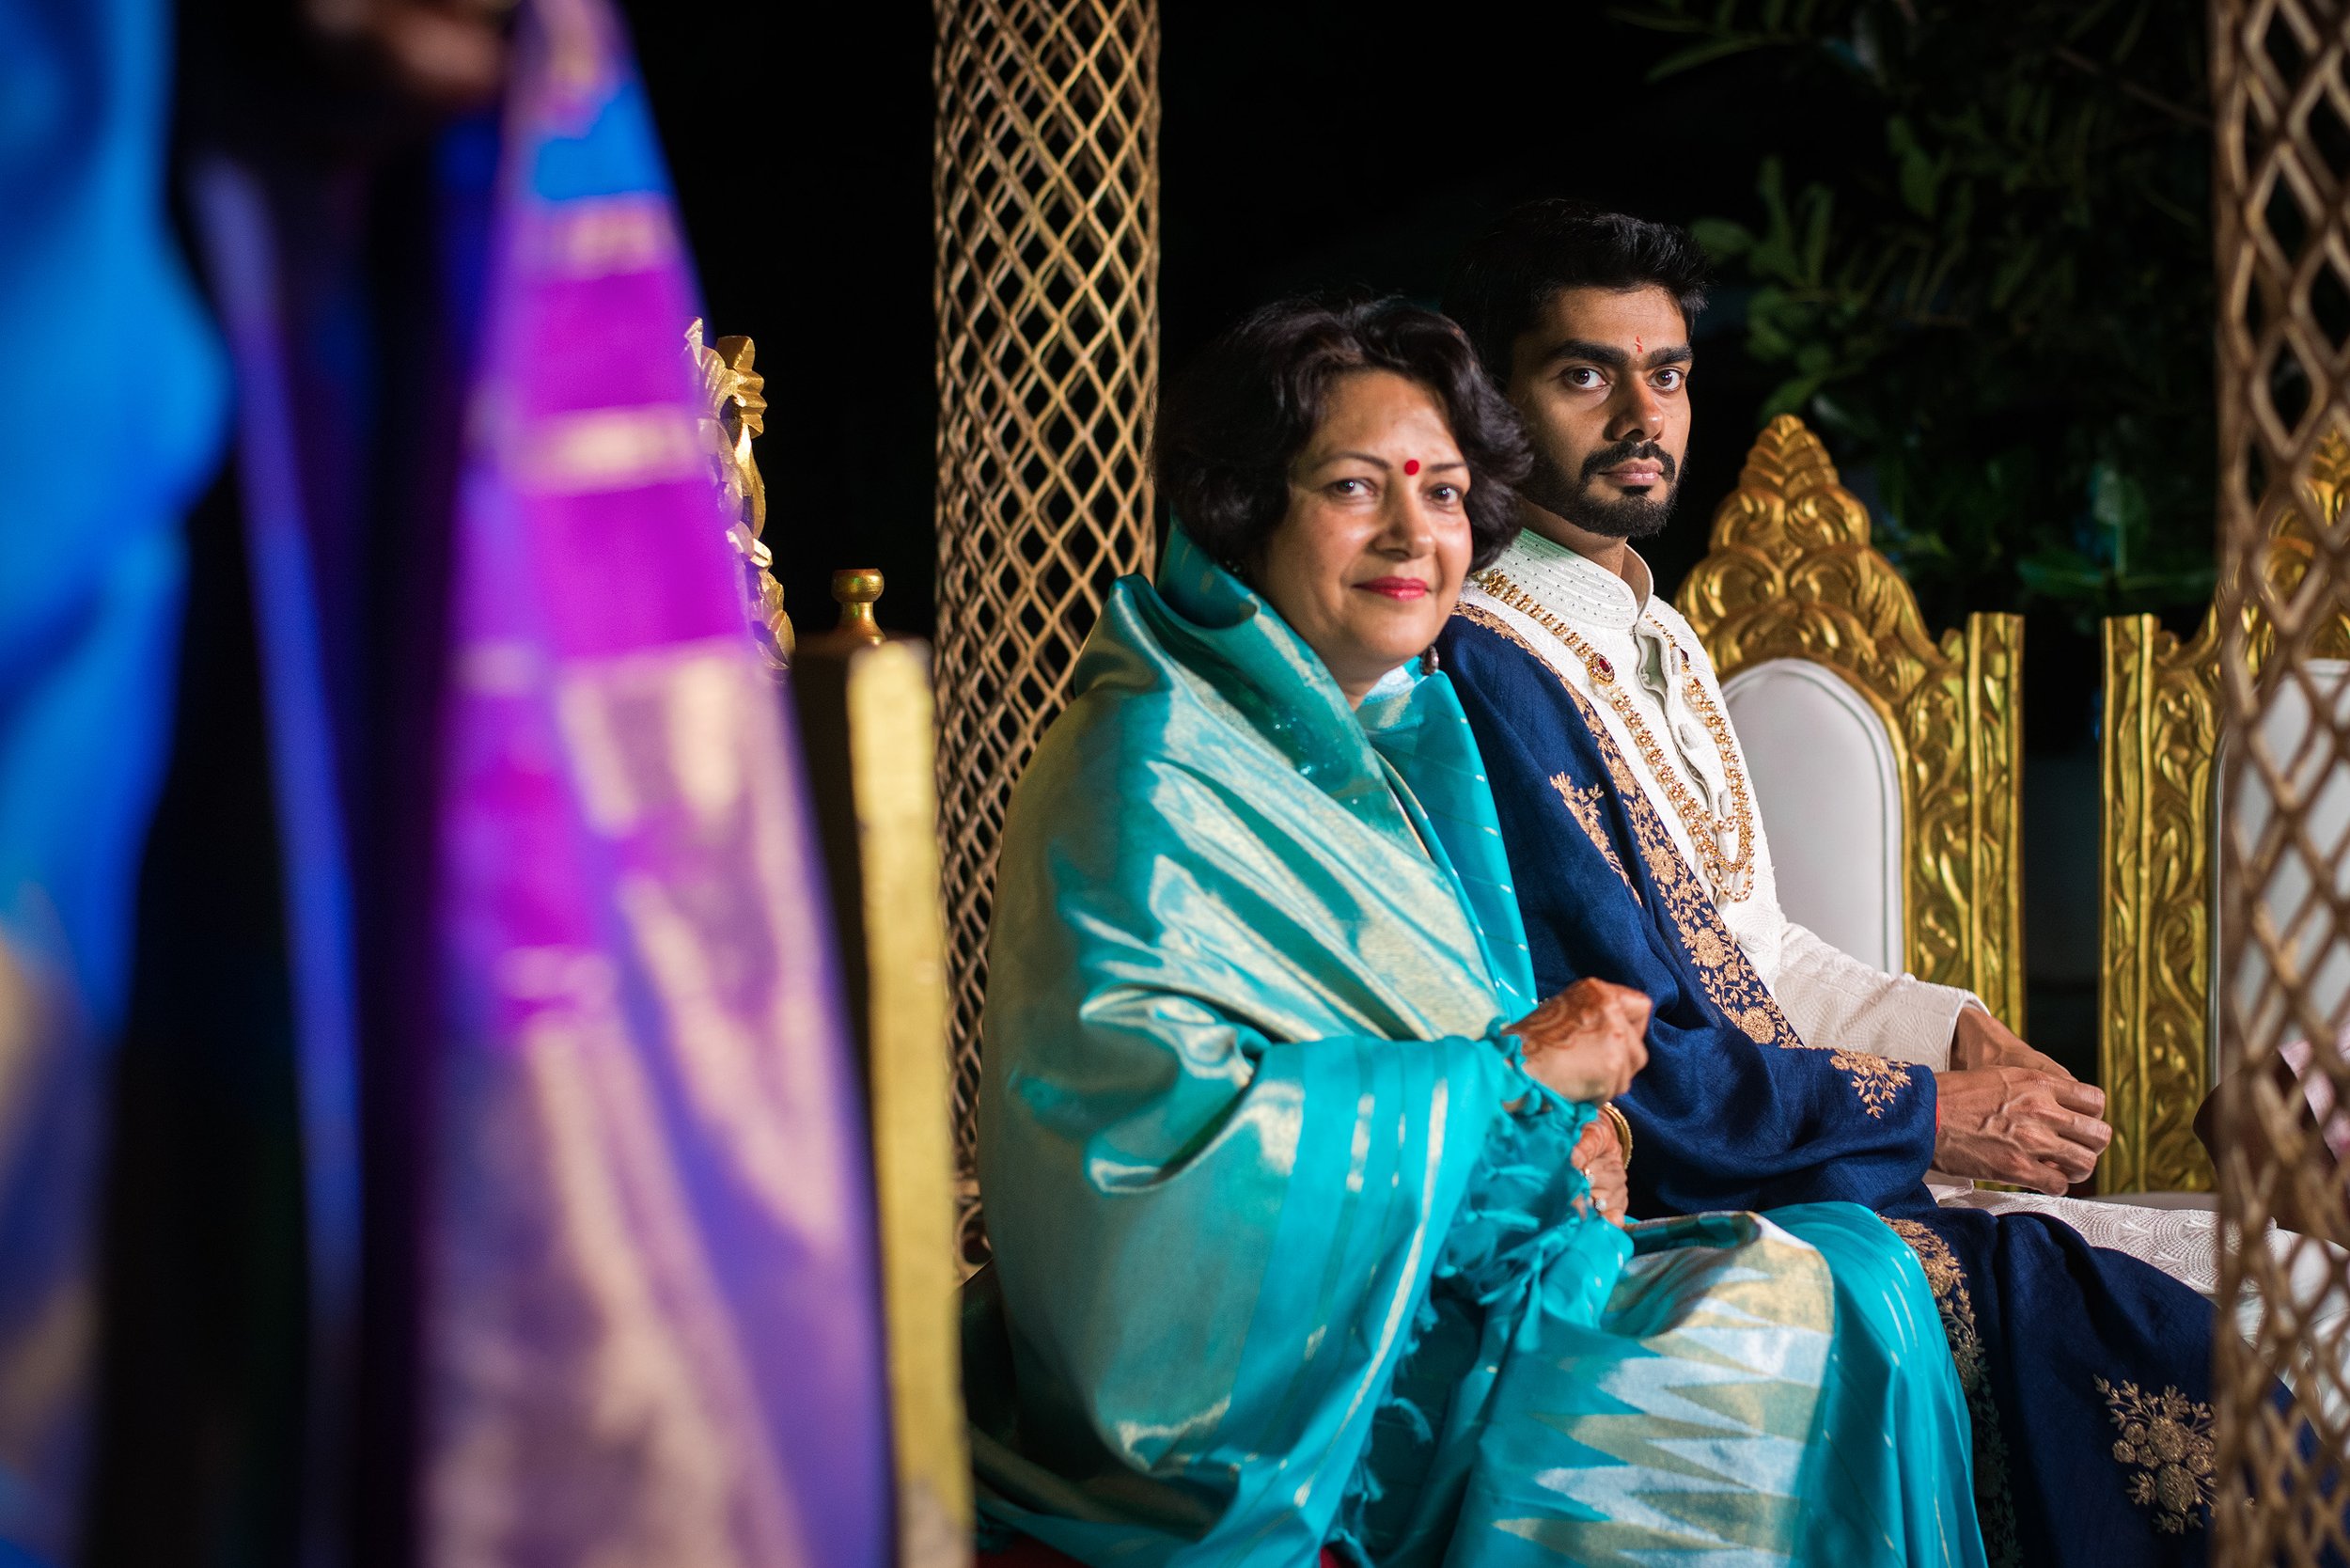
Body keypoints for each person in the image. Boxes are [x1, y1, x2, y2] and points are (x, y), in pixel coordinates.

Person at [964, 295, 1986, 1567]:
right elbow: (1153, 1172)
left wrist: (1569, 1127)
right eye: (1356, 486)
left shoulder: (1385, 737)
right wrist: (1511, 1085)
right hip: (1276, 1387)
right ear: (1243, 505)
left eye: (1445, 494)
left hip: (1433, 1273)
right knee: (1790, 1323)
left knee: (1863, 1282)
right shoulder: (1151, 761)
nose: (1414, 534)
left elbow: (1471, 1038)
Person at [1433, 201, 2248, 1563]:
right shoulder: (1485, 662)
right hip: (1688, 1177)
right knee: (2130, 1318)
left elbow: (1752, 950)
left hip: (1793, 1133)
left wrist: (1951, 1032)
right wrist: (1930, 1115)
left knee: (2239, 1280)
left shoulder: (1660, 635)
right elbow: (1644, 1035)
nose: (1645, 412)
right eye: (1586, 373)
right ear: (1494, 403)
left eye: (1671, 372)